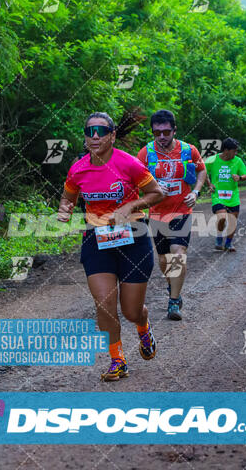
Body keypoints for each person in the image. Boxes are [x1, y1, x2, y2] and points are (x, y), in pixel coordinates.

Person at [57, 112, 164, 382]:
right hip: (97, 237)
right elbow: (68, 196)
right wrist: (65, 210)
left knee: (130, 311)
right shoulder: (78, 168)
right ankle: (118, 360)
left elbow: (156, 193)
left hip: (134, 237)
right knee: (104, 304)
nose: (95, 137)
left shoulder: (129, 164)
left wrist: (130, 205)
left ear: (112, 135)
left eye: (101, 131)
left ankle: (143, 325)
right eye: (89, 131)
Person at [137, 110, 206, 321]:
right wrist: (152, 192)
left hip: (181, 211)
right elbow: (135, 180)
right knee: (163, 259)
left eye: (166, 131)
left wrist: (195, 192)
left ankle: (174, 301)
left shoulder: (188, 150)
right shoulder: (145, 153)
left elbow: (201, 170)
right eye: (157, 132)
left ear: (174, 130)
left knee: (178, 252)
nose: (162, 136)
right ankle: (171, 285)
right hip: (157, 214)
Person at [204, 137, 246, 253]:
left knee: (232, 221)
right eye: (234, 150)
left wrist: (240, 178)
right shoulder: (213, 160)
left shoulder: (238, 161)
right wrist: (209, 184)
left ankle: (228, 244)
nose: (236, 153)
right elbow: (202, 170)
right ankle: (219, 237)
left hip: (233, 196)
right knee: (222, 217)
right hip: (218, 196)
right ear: (226, 150)